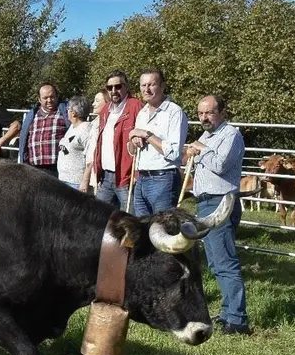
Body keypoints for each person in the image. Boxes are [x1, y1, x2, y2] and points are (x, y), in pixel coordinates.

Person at [186, 94, 251, 335]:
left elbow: (221, 164)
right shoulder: (208, 135)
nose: (204, 117)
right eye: (201, 113)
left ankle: (237, 320)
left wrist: (201, 148)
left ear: (222, 113)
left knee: (225, 262)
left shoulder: (230, 134)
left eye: (209, 112)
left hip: (221, 202)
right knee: (215, 261)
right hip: (205, 202)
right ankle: (227, 313)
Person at [127, 67, 188, 215]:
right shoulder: (142, 113)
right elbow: (132, 152)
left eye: (151, 85)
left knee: (163, 230)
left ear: (162, 86)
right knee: (142, 230)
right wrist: (132, 140)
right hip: (141, 178)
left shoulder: (174, 112)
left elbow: (173, 152)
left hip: (164, 178)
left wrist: (147, 134)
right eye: (143, 85)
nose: (146, 89)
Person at [93, 71, 142, 209]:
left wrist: (136, 174)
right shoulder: (105, 111)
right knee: (99, 218)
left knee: (130, 220)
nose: (114, 91)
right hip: (106, 176)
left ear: (126, 87)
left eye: (118, 86)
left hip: (126, 177)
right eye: (110, 87)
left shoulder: (135, 106)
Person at [17, 83, 69, 176]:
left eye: (52, 97)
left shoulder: (65, 113)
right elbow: (24, 138)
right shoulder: (32, 115)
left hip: (57, 166)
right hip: (34, 166)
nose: (49, 100)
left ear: (57, 97)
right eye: (45, 98)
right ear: (39, 99)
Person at [58, 96, 93, 191]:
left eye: (68, 109)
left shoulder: (86, 129)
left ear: (73, 112)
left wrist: (85, 182)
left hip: (76, 182)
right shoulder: (72, 127)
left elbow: (91, 157)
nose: (67, 111)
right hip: (64, 179)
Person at [84, 89, 108, 194]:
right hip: (92, 176)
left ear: (108, 102)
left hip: (102, 176)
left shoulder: (107, 124)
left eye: (97, 101)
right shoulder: (94, 123)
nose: (93, 104)